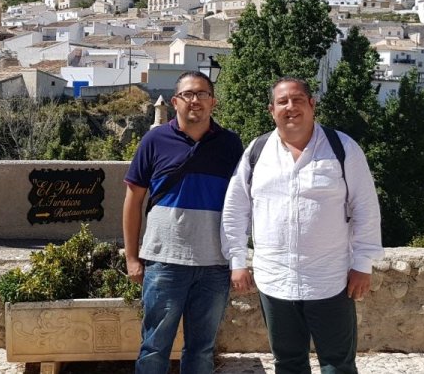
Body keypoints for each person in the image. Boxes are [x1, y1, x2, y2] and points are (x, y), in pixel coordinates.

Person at [221, 77, 383, 374]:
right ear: (272, 110)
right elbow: (236, 207)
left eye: (297, 100)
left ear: (311, 104)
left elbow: (366, 208)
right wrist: (237, 260)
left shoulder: (342, 148)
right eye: (282, 102)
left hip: (330, 279)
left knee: (338, 364)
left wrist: (363, 263)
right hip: (275, 279)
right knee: (288, 364)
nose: (290, 107)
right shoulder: (257, 151)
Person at [123, 71, 245, 374]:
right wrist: (132, 258)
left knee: (202, 351)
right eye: (188, 94)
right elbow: (133, 200)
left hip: (214, 264)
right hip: (165, 262)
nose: (195, 100)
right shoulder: (154, 140)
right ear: (175, 101)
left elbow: (242, 204)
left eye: (202, 93)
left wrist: (238, 259)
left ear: (213, 102)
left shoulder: (230, 144)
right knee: (154, 348)